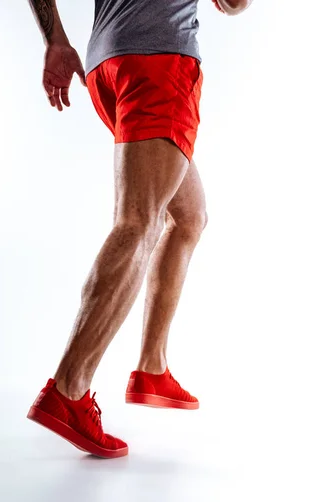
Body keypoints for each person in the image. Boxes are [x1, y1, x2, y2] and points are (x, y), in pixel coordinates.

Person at [26, 0, 249, 458]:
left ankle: (152, 366)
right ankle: (68, 390)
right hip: (160, 61)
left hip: (108, 62)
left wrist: (55, 40)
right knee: (137, 221)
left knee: (188, 216)